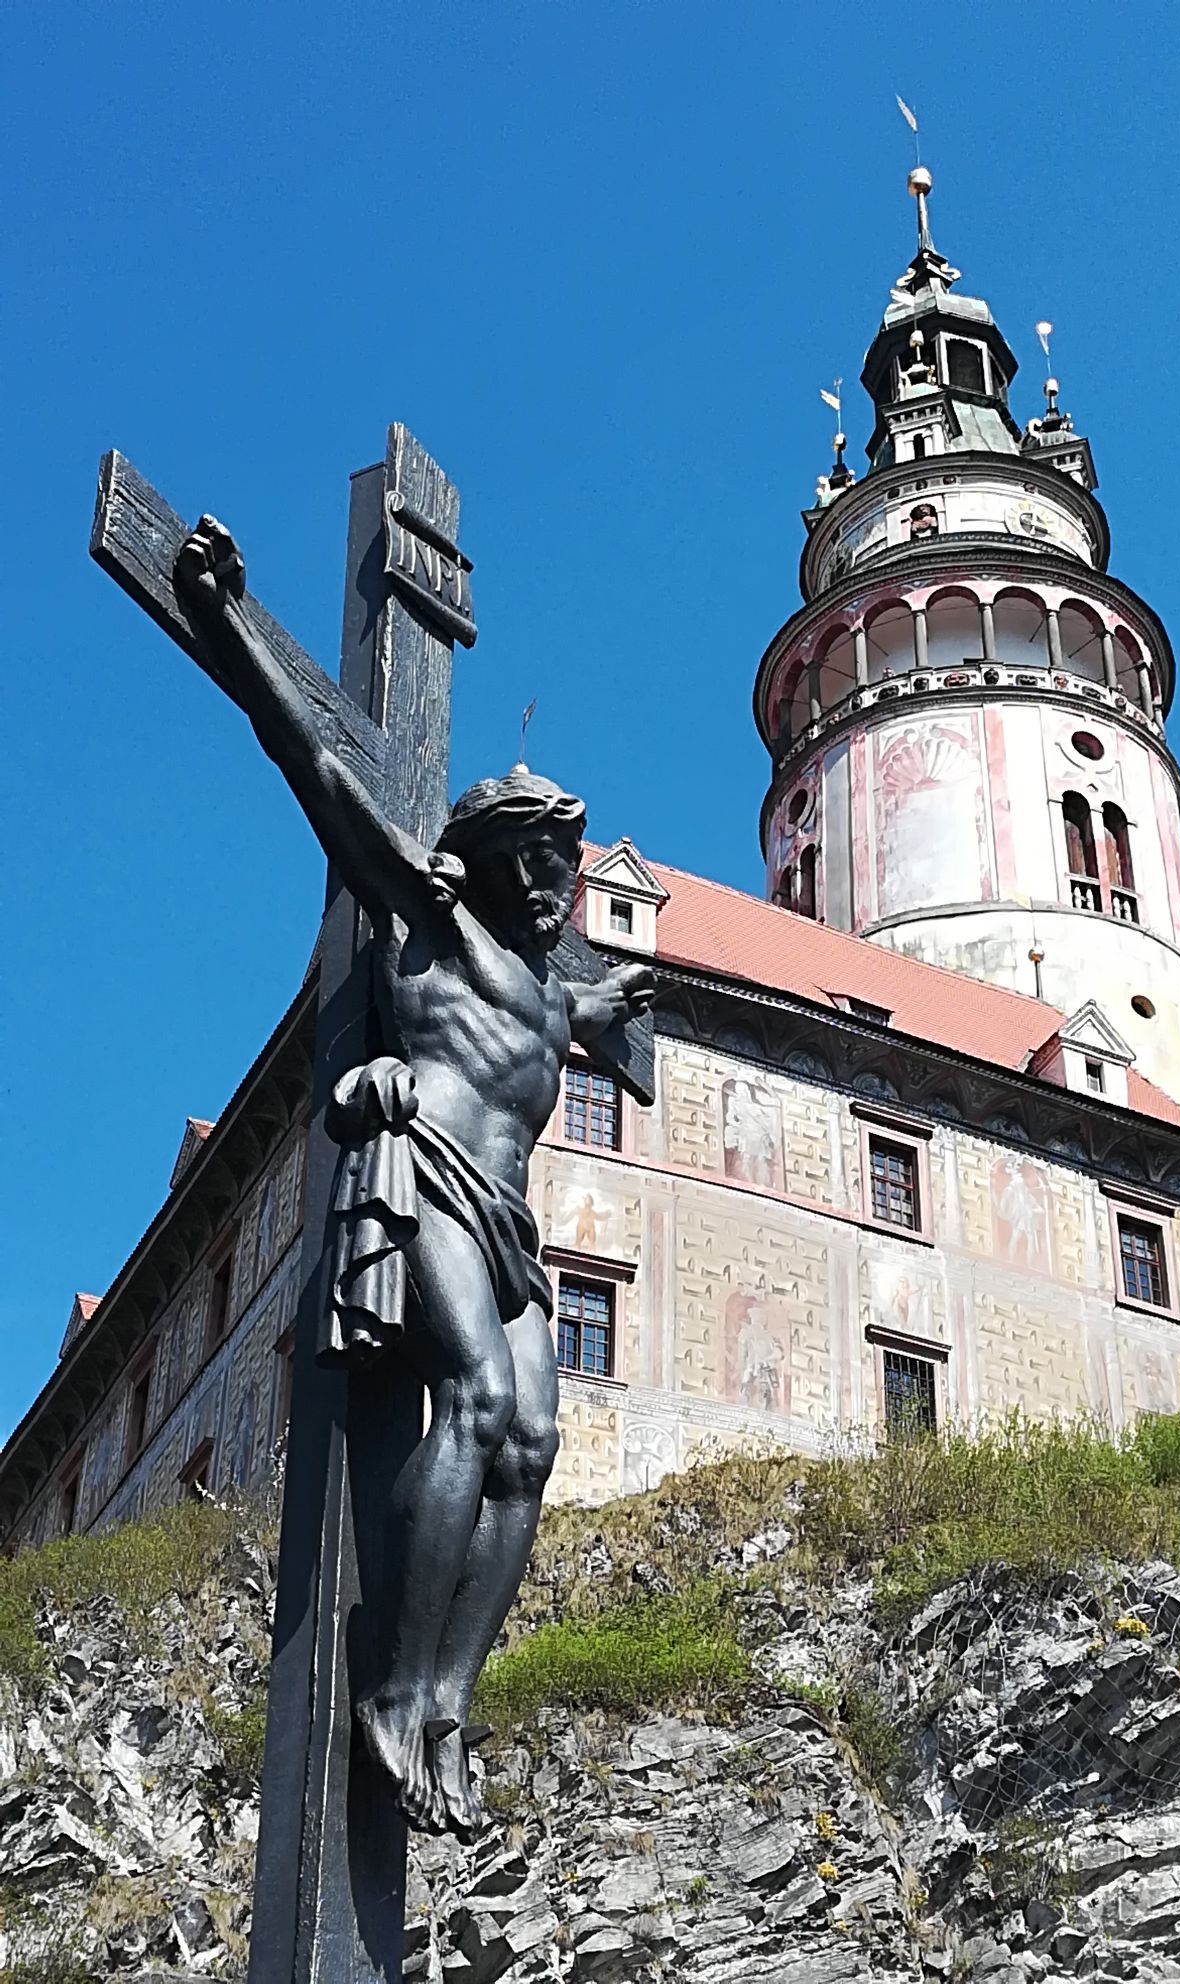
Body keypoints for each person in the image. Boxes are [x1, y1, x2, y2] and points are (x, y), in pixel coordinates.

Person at [174, 517, 654, 1838]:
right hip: (425, 1167)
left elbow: (633, 1039)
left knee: (533, 1445)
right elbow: (317, 765)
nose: (560, 890)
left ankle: (443, 1694)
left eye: (569, 870)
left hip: (505, 1219)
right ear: (493, 864)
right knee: (473, 1400)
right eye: (541, 868)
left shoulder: (556, 999)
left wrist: (618, 1011)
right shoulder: (425, 917)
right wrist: (225, 621)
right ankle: (386, 1683)